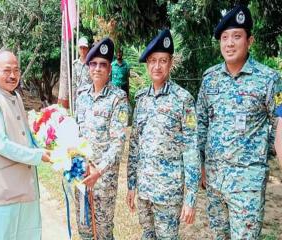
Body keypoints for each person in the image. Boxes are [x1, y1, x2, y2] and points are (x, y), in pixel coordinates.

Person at [197, 5, 282, 239]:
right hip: (214, 180)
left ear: (249, 41)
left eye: (236, 36)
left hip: (248, 183)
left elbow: (280, 123)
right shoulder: (210, 78)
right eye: (225, 37)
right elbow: (201, 123)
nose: (230, 43)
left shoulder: (269, 79)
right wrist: (201, 164)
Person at [126, 29, 200, 239]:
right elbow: (135, 146)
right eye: (152, 61)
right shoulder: (141, 99)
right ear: (147, 64)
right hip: (144, 190)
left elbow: (191, 150)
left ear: (170, 63)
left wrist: (190, 198)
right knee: (147, 235)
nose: (157, 66)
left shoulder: (183, 100)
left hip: (168, 192)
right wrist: (131, 185)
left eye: (163, 60)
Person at [0, 49, 52, 240]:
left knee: (29, 235)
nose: (13, 75)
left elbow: (24, 135)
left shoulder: (15, 97)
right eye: (7, 70)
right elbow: (2, 145)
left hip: (26, 188)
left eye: (16, 70)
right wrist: (37, 156)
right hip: (5, 191)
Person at [75, 37, 130, 240]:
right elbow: (75, 135)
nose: (97, 68)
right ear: (88, 66)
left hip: (103, 179)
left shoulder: (118, 98)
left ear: (109, 70)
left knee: (104, 230)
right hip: (80, 174)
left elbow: (118, 143)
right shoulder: (81, 96)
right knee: (84, 227)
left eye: (103, 64)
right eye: (94, 63)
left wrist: (98, 171)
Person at [72, 37, 91, 109]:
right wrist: (74, 100)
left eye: (85, 48)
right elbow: (74, 84)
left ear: (88, 49)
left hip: (90, 97)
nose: (83, 50)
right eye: (81, 48)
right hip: (78, 98)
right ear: (78, 49)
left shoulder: (92, 64)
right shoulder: (75, 64)